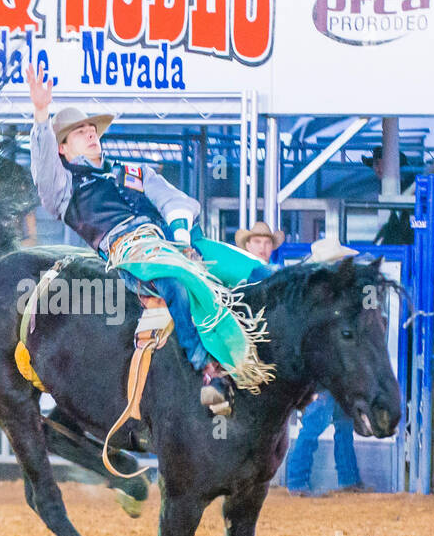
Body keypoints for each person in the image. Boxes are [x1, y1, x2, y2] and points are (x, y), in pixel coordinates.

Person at [26, 65, 273, 414]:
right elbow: (45, 173)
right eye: (79, 133)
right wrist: (41, 114)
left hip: (174, 241)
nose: (91, 134)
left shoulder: (133, 172)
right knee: (176, 283)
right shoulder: (65, 189)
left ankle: (272, 353)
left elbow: (173, 201)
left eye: (91, 129)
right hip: (131, 251)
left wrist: (183, 238)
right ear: (63, 150)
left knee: (255, 271)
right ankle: (204, 367)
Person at [285, 236, 370, 496]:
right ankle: (299, 482)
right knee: (319, 426)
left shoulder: (320, 296)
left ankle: (339, 480)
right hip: (325, 374)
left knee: (331, 426)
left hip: (332, 374)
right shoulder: (322, 298)